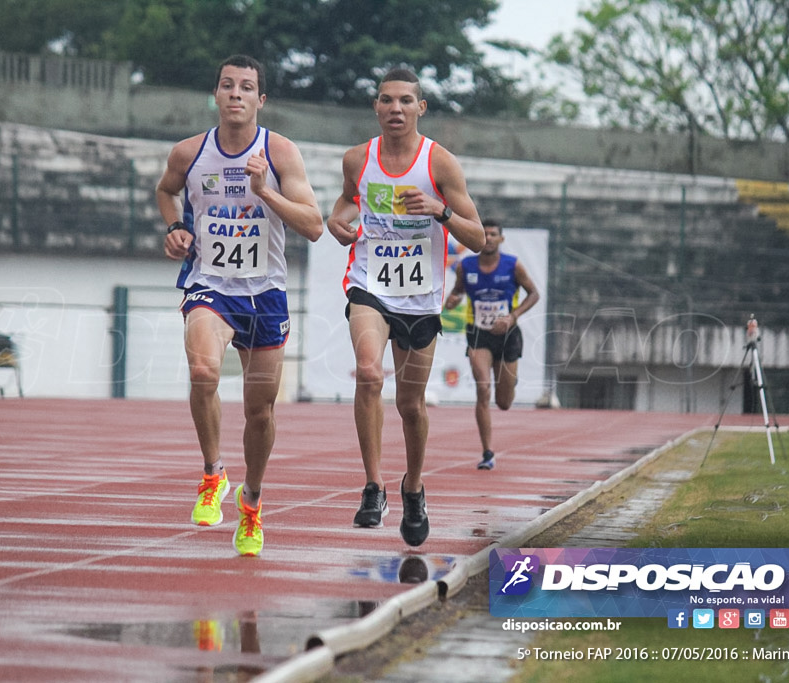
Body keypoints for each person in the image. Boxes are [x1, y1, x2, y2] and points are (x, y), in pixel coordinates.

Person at [155, 55, 323, 556]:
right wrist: (174, 226)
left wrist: (263, 191)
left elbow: (313, 226)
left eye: (245, 88)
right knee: (204, 371)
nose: (235, 95)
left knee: (260, 412)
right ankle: (212, 474)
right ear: (216, 94)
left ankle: (251, 504)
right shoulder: (189, 153)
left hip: (265, 293)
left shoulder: (280, 152)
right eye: (227, 86)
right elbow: (166, 192)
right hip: (210, 283)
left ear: (260, 100)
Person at [327, 67, 486, 547]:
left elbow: (477, 238)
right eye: (386, 100)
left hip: (419, 297)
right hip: (369, 286)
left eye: (405, 101)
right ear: (376, 108)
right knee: (369, 374)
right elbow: (342, 208)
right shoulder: (358, 159)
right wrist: (338, 224)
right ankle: (373, 487)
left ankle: (412, 487)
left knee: (411, 405)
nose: (395, 108)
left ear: (421, 108)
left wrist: (439, 211)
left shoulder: (440, 164)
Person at [444, 220, 540, 470]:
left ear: (501, 239)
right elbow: (457, 291)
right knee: (483, 389)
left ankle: (509, 380)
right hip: (478, 334)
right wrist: (453, 300)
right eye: (484, 233)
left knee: (504, 402)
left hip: (508, 335)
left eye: (493, 234)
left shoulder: (513, 265)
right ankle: (487, 452)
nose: (488, 237)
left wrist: (513, 316)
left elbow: (534, 294)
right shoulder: (466, 266)